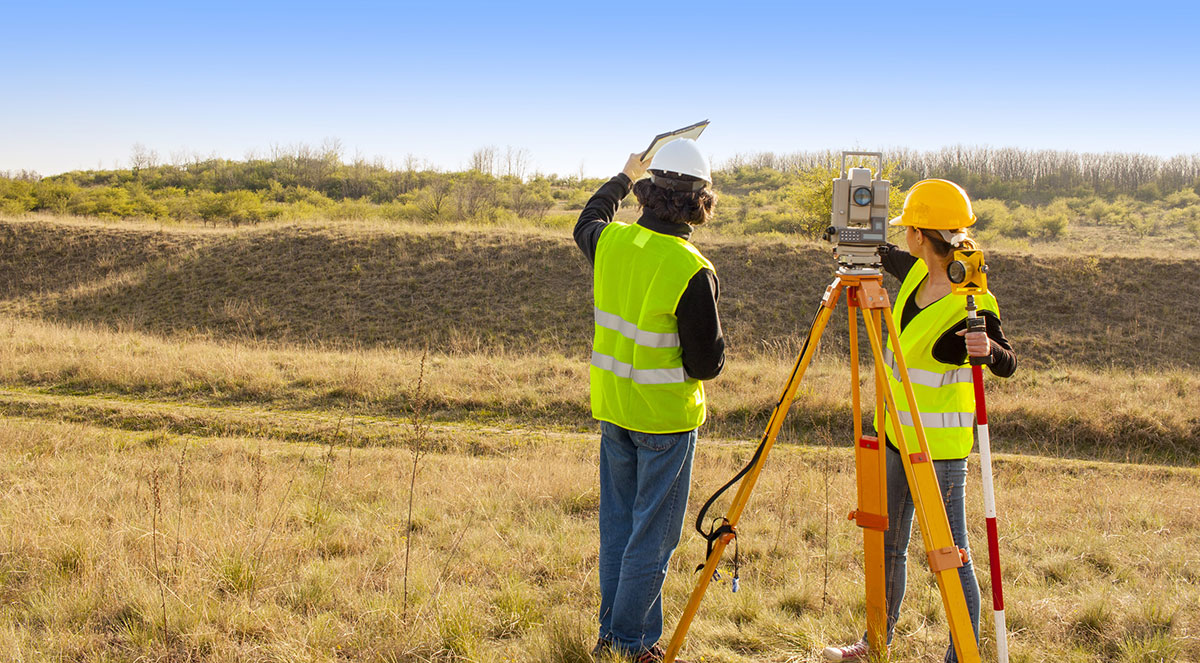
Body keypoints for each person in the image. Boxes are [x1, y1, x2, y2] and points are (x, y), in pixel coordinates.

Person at [822, 179, 1018, 663]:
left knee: (950, 560)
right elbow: (884, 254)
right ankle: (875, 642)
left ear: (918, 234)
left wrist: (989, 351)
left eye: (906, 228)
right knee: (888, 546)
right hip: (895, 438)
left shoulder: (971, 300)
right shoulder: (914, 274)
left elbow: (1008, 360)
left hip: (941, 455)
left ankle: (963, 655)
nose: (902, 237)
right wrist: (849, 236)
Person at [573, 139, 724, 663]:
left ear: (647, 191)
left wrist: (622, 175)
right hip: (664, 422)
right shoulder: (691, 269)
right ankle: (630, 644)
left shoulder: (611, 243)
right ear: (699, 202)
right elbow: (705, 364)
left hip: (614, 410)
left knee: (618, 530)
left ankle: (611, 636)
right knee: (651, 540)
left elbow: (587, 220)